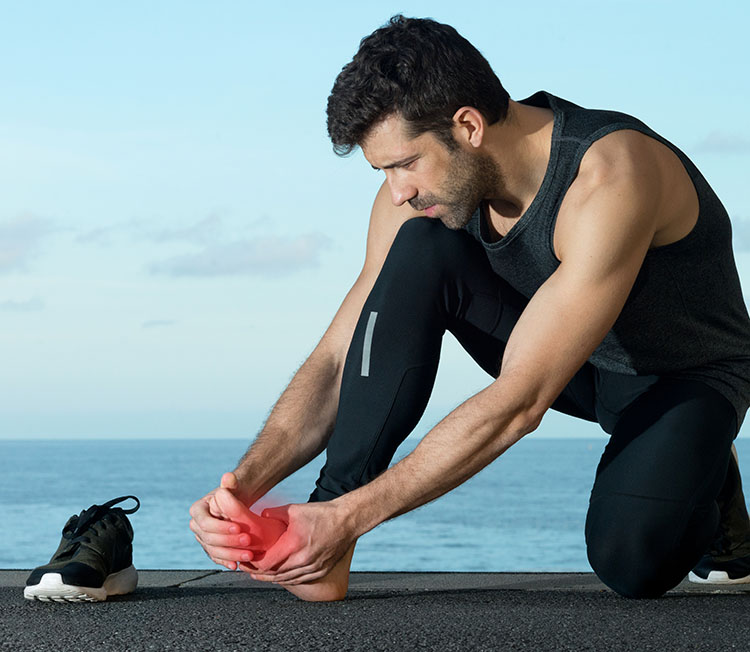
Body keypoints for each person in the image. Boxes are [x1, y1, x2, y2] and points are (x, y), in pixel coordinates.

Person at [189, 15, 750, 601]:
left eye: (405, 163)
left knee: (631, 562)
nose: (397, 189)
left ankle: (712, 477)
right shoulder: (415, 198)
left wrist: (355, 516)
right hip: (573, 360)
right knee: (421, 246)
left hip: (682, 378)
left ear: (468, 125)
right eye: (383, 170)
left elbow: (520, 402)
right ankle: (325, 533)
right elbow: (340, 356)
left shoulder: (610, 176)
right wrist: (242, 489)